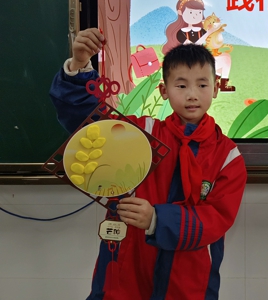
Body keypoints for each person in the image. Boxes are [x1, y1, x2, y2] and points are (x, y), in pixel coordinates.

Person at [50, 28, 247, 300]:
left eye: (202, 85)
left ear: (216, 88)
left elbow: (216, 219)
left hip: (189, 281)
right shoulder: (143, 133)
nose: (192, 94)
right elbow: (90, 126)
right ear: (164, 91)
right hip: (126, 272)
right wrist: (80, 65)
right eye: (181, 85)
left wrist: (156, 219)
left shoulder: (227, 157)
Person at [163, 0, 235, 92]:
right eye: (191, 12)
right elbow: (191, 47)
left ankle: (222, 84)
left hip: (203, 58)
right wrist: (208, 33)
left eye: (199, 12)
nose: (195, 16)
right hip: (190, 62)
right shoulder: (182, 32)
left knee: (226, 58)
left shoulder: (202, 30)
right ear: (180, 12)